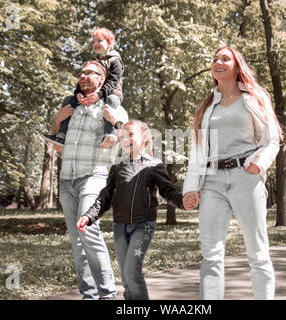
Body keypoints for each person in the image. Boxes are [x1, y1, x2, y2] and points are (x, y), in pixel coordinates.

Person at [182, 47, 283, 300]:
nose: (217, 62)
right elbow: (197, 150)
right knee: (211, 255)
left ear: (237, 66)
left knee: (258, 253)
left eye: (224, 58)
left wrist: (258, 164)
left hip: (245, 178)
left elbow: (272, 140)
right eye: (214, 59)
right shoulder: (206, 106)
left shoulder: (255, 97)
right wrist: (190, 187)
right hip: (212, 181)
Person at [77, 120, 192, 300]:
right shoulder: (117, 168)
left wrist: (183, 202)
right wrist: (89, 216)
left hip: (143, 225)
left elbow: (167, 191)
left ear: (144, 138)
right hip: (120, 227)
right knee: (126, 277)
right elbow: (105, 197)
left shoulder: (154, 166)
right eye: (122, 136)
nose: (125, 139)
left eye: (130, 134)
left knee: (132, 272)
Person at [52, 60, 128, 300]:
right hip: (67, 180)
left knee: (87, 231)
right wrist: (57, 121)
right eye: (81, 72)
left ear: (102, 78)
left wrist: (115, 122)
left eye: (90, 72)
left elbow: (128, 139)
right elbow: (58, 148)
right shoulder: (70, 105)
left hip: (93, 176)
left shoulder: (110, 103)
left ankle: (107, 295)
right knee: (76, 240)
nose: (83, 76)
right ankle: (89, 295)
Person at [44, 27, 124, 149]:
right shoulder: (93, 62)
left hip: (110, 93)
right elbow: (81, 81)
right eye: (94, 41)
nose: (96, 44)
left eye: (100, 41)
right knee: (68, 100)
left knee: (111, 101)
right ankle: (62, 135)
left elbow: (113, 81)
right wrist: (78, 94)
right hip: (93, 93)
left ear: (109, 43)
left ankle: (109, 133)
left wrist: (99, 94)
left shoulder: (115, 61)